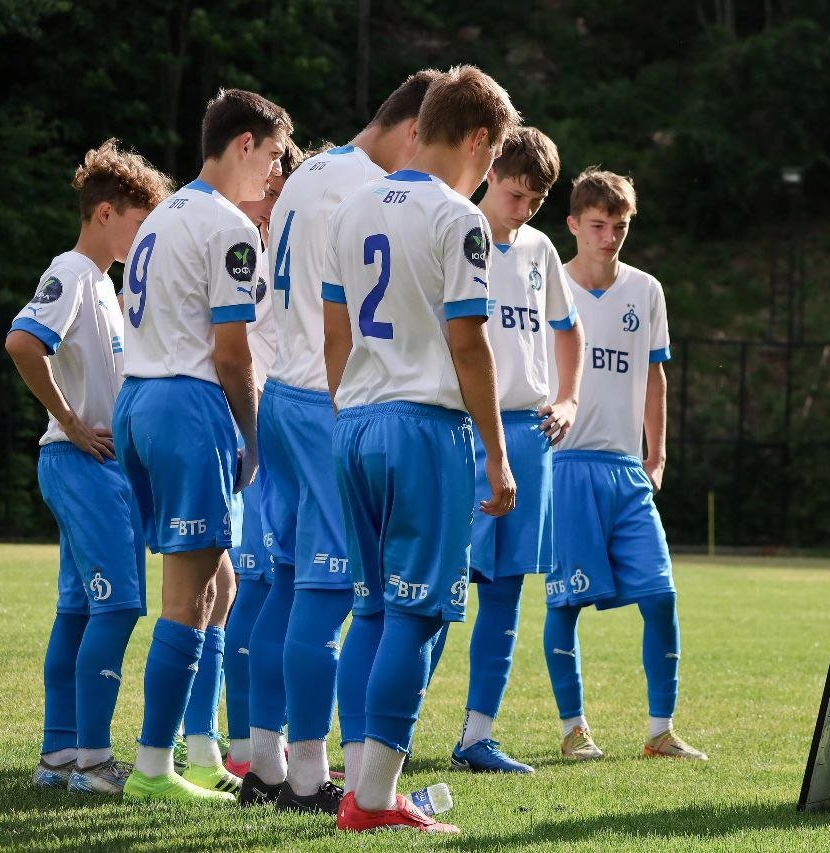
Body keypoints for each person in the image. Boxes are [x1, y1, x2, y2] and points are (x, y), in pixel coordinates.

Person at [323, 64, 520, 833]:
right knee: (417, 615)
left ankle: (358, 787)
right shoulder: (456, 218)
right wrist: (497, 455)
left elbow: (335, 336)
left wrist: (355, 412)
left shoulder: (352, 205)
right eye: (495, 155)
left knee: (370, 608)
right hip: (424, 428)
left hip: (356, 421)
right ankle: (374, 801)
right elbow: (468, 343)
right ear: (479, 139)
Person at [241, 70, 441, 812]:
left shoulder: (308, 172)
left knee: (289, 586)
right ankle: (316, 778)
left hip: (285, 395)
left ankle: (266, 762)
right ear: (416, 128)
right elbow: (352, 311)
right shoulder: (362, 187)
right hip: (327, 397)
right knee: (334, 596)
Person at [112, 87, 292, 803]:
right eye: (274, 156)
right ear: (244, 143)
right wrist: (253, 435)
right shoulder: (228, 227)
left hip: (140, 399)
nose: (275, 173)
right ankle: (153, 769)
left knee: (220, 585)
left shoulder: (165, 215)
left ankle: (204, 750)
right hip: (187, 405)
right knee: (189, 597)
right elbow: (231, 353)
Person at [6, 139, 171, 795]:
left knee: (79, 609)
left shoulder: (103, 282)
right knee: (121, 605)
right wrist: (71, 420)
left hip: (92, 466)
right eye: (138, 219)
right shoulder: (73, 272)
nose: (143, 234)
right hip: (81, 463)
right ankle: (95, 761)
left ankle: (59, 754)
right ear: (105, 212)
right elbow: (23, 340)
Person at [428, 127, 585, 774]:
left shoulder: (540, 249)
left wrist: (569, 398)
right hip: (461, 432)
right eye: (516, 194)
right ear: (490, 172)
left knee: (506, 590)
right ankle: (389, 731)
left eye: (535, 202)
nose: (522, 211)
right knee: (436, 589)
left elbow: (568, 330)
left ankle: (476, 735)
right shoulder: (452, 231)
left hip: (527, 433)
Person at [542, 168, 707, 763]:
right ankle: (573, 729)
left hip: (625, 470)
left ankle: (660, 732)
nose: (610, 237)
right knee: (565, 603)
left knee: (660, 595)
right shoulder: (548, 285)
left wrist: (656, 453)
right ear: (573, 226)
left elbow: (655, 375)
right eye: (598, 225)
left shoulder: (647, 291)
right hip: (564, 467)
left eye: (620, 226)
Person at [169, 141, 303, 790]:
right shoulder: (230, 246)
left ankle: (242, 742)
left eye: (281, 193)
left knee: (247, 589)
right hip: (237, 434)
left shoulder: (289, 258)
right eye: (267, 187)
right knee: (227, 588)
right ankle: (219, 742)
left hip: (278, 433)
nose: (268, 202)